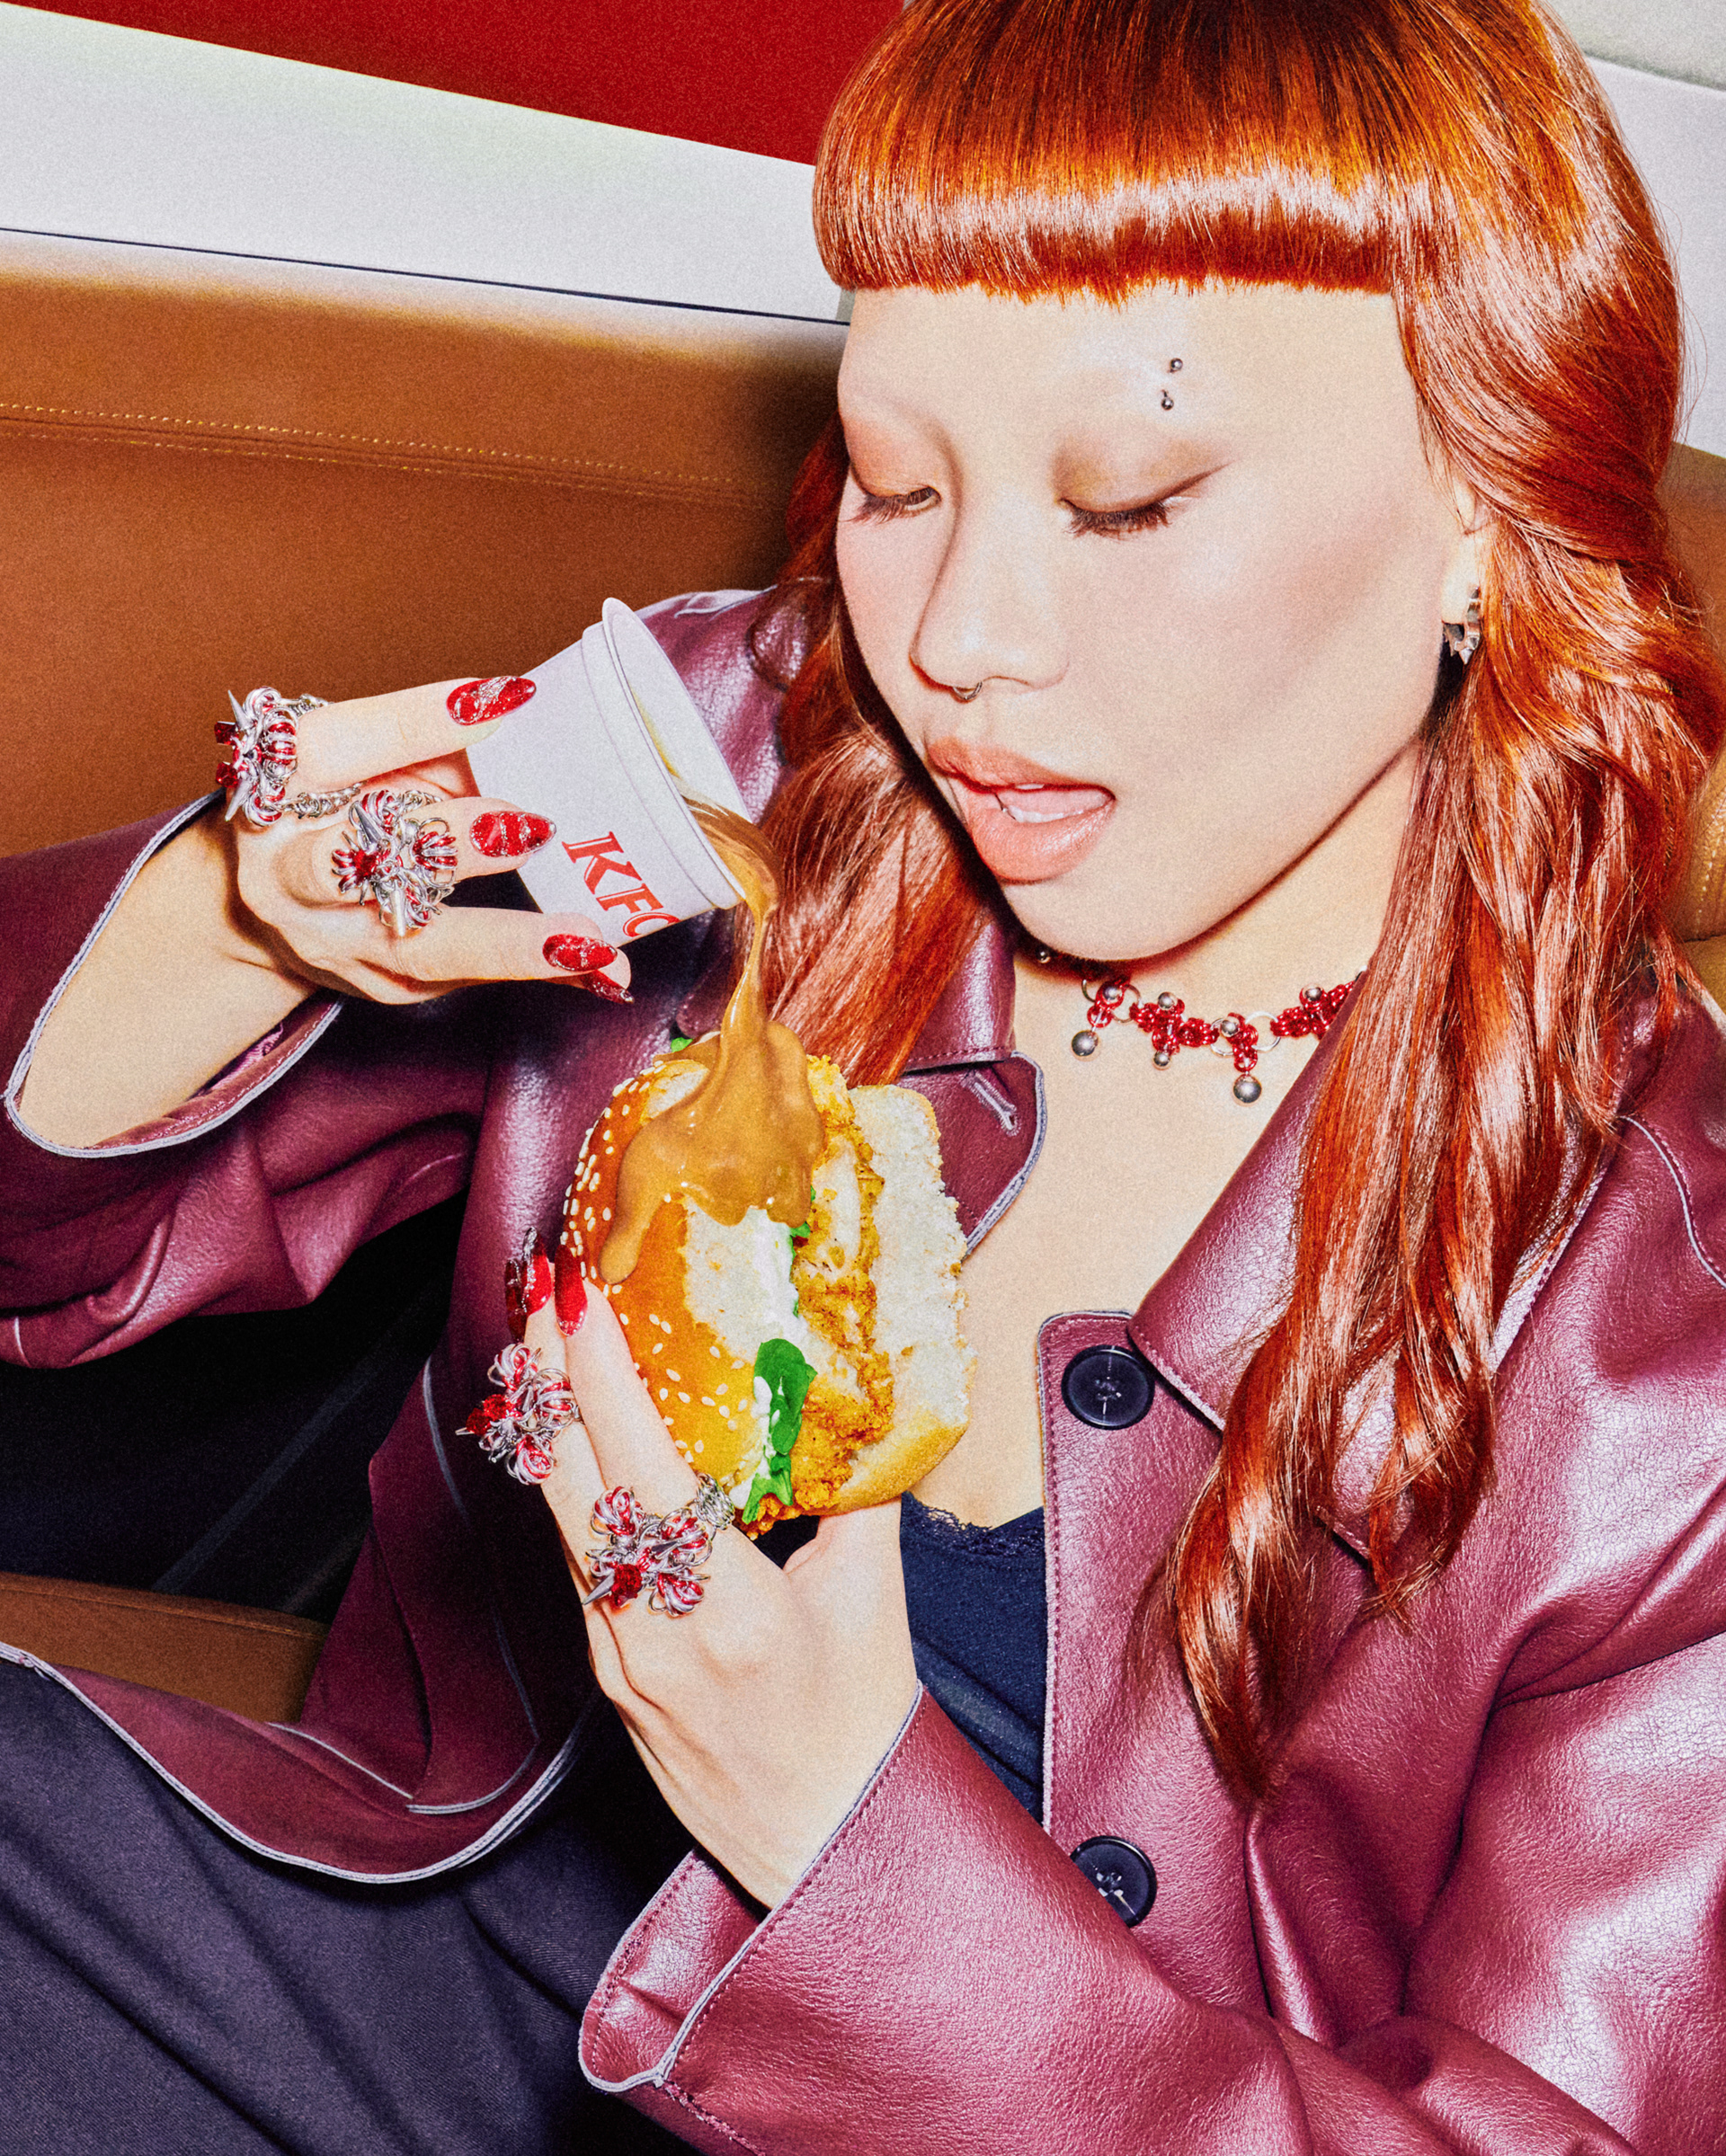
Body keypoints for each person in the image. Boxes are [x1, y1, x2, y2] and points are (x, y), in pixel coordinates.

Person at [1, 0, 1722, 2148]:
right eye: (900, 480)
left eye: (1128, 502)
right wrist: (228, 926)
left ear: (1484, 500)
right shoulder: (740, 775)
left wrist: (840, 1836)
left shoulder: (1668, 1350)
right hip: (415, 1982)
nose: (960, 640)